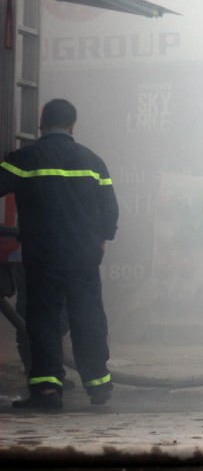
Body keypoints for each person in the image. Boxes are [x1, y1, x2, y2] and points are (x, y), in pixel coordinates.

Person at [0, 98, 119, 409]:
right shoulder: (94, 162)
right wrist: (101, 240)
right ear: (72, 126)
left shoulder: (25, 159)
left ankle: (47, 390)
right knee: (88, 317)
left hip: (44, 258)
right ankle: (98, 386)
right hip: (83, 258)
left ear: (41, 124)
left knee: (44, 321)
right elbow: (110, 210)